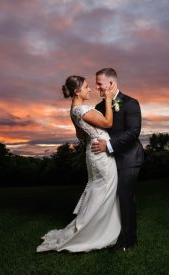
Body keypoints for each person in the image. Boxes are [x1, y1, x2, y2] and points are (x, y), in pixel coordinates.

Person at [36, 75, 120, 252]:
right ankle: (92, 233)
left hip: (95, 149)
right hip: (101, 152)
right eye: (86, 87)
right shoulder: (80, 109)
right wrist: (108, 99)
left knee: (99, 190)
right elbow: (108, 122)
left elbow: (80, 135)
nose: (90, 89)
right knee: (103, 190)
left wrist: (92, 133)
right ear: (77, 91)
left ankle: (99, 228)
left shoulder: (74, 109)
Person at [92, 68, 144, 251]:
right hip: (108, 160)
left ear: (111, 84)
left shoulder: (131, 103)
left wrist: (109, 146)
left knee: (125, 197)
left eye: (99, 83)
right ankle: (109, 237)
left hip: (129, 158)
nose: (97, 87)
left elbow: (133, 132)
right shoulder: (98, 108)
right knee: (108, 199)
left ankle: (129, 242)